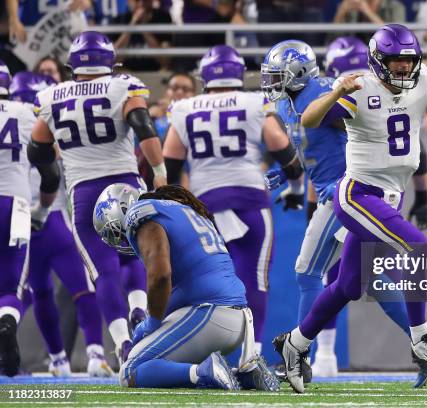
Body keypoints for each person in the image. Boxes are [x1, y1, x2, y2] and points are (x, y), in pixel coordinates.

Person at [273, 20, 427, 393]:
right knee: (417, 246)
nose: (403, 66)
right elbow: (310, 118)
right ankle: (421, 339)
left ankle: (295, 344)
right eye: (395, 60)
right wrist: (336, 92)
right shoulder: (360, 88)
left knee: (349, 284)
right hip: (357, 194)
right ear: (377, 59)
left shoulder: (421, 81)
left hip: (390, 195)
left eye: (408, 59)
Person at [266, 36, 427, 383]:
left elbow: (375, 131)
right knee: (365, 280)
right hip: (333, 190)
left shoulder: (322, 93)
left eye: (278, 75)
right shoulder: (289, 103)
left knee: (308, 271)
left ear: (297, 74)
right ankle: (420, 344)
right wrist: (285, 173)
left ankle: (300, 358)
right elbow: (311, 148)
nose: (272, 83)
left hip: (346, 191)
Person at [27, 31, 167, 365]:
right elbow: (143, 125)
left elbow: (38, 148)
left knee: (103, 272)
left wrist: (56, 169)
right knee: (133, 256)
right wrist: (159, 171)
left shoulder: (50, 96)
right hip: (125, 182)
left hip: (84, 191)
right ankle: (137, 308)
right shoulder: (124, 86)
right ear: (109, 61)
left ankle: (121, 342)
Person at [163, 45, 303, 355]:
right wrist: (295, 188)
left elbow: (170, 163)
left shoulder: (185, 108)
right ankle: (249, 354)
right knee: (254, 279)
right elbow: (284, 151)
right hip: (249, 198)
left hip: (203, 207)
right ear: (239, 73)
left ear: (205, 76)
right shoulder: (255, 103)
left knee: (206, 281)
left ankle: (202, 352)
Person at [94, 183, 279, 391]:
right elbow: (191, 276)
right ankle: (244, 374)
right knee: (153, 355)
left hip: (211, 313)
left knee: (130, 372)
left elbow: (161, 277)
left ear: (122, 211)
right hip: (240, 319)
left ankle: (203, 372)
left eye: (115, 232)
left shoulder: (140, 213)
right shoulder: (184, 209)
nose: (120, 239)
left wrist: (152, 323)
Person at [7, 71, 113, 378]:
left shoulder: (14, 117)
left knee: (37, 291)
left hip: (20, 216)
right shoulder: (40, 119)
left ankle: (57, 359)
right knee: (83, 288)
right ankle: (94, 352)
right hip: (51, 216)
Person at [0, 60, 59, 377]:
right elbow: (50, 170)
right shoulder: (25, 114)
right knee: (11, 285)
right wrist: (44, 208)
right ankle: (7, 321)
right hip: (16, 204)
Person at [111, 0, 172, 71]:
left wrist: (143, 27)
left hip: (154, 73)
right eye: (136, 1)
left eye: (145, 0)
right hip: (126, 74)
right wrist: (132, 24)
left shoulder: (163, 18)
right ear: (128, 2)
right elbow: (113, 60)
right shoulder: (119, 20)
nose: (141, 4)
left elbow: (165, 61)